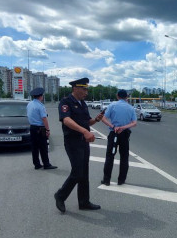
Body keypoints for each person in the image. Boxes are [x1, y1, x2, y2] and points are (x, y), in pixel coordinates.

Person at [54, 77, 105, 213]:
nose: (86, 92)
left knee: (84, 172)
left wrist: (96, 120)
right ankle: (60, 195)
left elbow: (87, 122)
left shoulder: (82, 103)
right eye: (84, 89)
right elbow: (66, 120)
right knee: (77, 172)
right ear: (75, 88)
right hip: (73, 142)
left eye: (87, 89)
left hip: (84, 142)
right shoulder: (66, 102)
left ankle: (84, 201)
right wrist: (84, 131)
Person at [100, 89, 137, 185]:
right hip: (124, 135)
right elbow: (134, 123)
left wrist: (114, 126)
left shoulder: (112, 105)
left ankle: (106, 180)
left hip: (114, 134)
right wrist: (123, 127)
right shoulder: (130, 108)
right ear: (127, 97)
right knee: (124, 157)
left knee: (110, 156)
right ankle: (121, 180)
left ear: (117, 96)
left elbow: (103, 118)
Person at [27, 87, 57, 170]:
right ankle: (46, 164)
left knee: (34, 147)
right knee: (43, 147)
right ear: (40, 96)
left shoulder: (29, 104)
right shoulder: (41, 106)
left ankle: (37, 164)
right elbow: (44, 118)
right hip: (41, 128)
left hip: (32, 127)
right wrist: (48, 130)